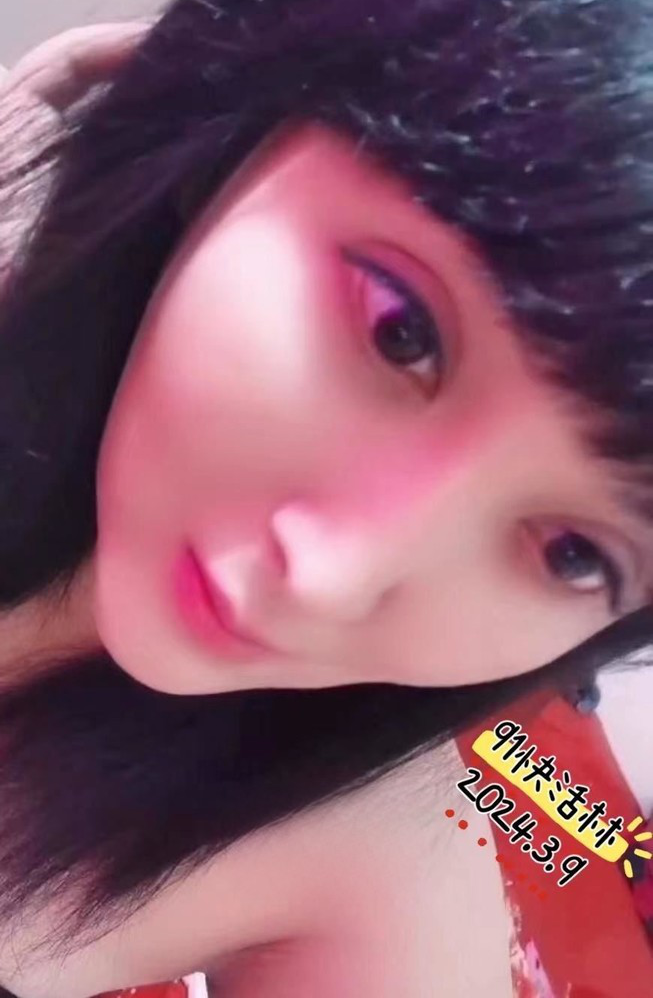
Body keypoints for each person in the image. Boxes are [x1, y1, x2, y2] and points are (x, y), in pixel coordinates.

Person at [0, 0, 652, 993]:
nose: (330, 577)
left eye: (573, 553)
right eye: (400, 331)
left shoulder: (379, 870)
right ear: (243, 126)